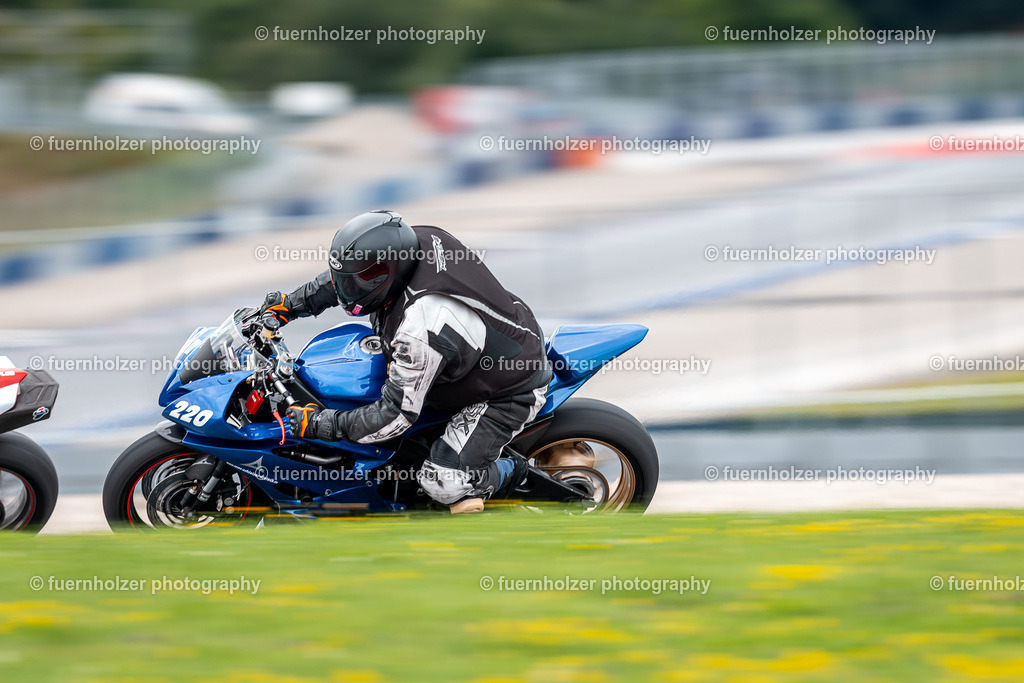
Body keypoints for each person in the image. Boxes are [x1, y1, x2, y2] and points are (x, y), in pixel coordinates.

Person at [263, 210, 552, 513]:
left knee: (443, 481)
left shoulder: (420, 326)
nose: (347, 292)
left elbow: (394, 417)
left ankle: (513, 471)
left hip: (506, 387)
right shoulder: (408, 243)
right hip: (483, 343)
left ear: (391, 272)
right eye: (346, 280)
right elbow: (347, 276)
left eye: (356, 284)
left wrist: (321, 425)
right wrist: (290, 305)